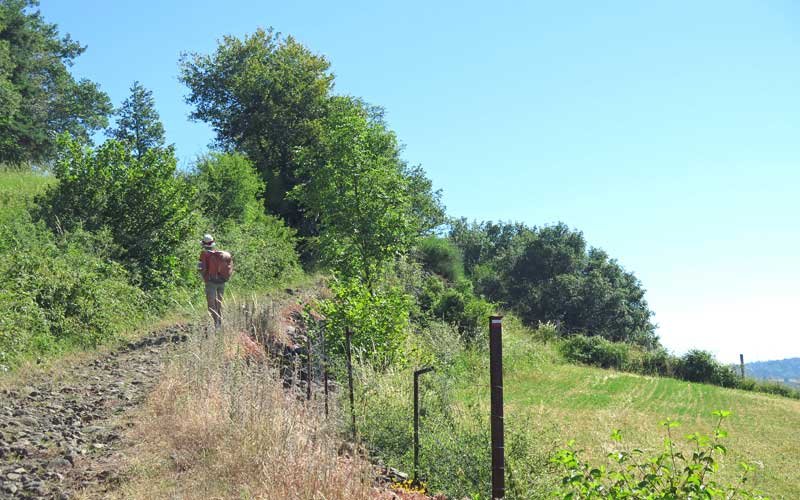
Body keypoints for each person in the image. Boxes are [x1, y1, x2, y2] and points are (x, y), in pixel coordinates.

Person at [198, 234, 233, 328]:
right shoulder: (220, 254)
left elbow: (202, 269)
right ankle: (219, 324)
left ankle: (217, 324)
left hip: (211, 282)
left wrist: (203, 277)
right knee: (218, 304)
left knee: (211, 306)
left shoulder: (204, 254)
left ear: (203, 244)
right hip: (222, 282)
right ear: (213, 244)